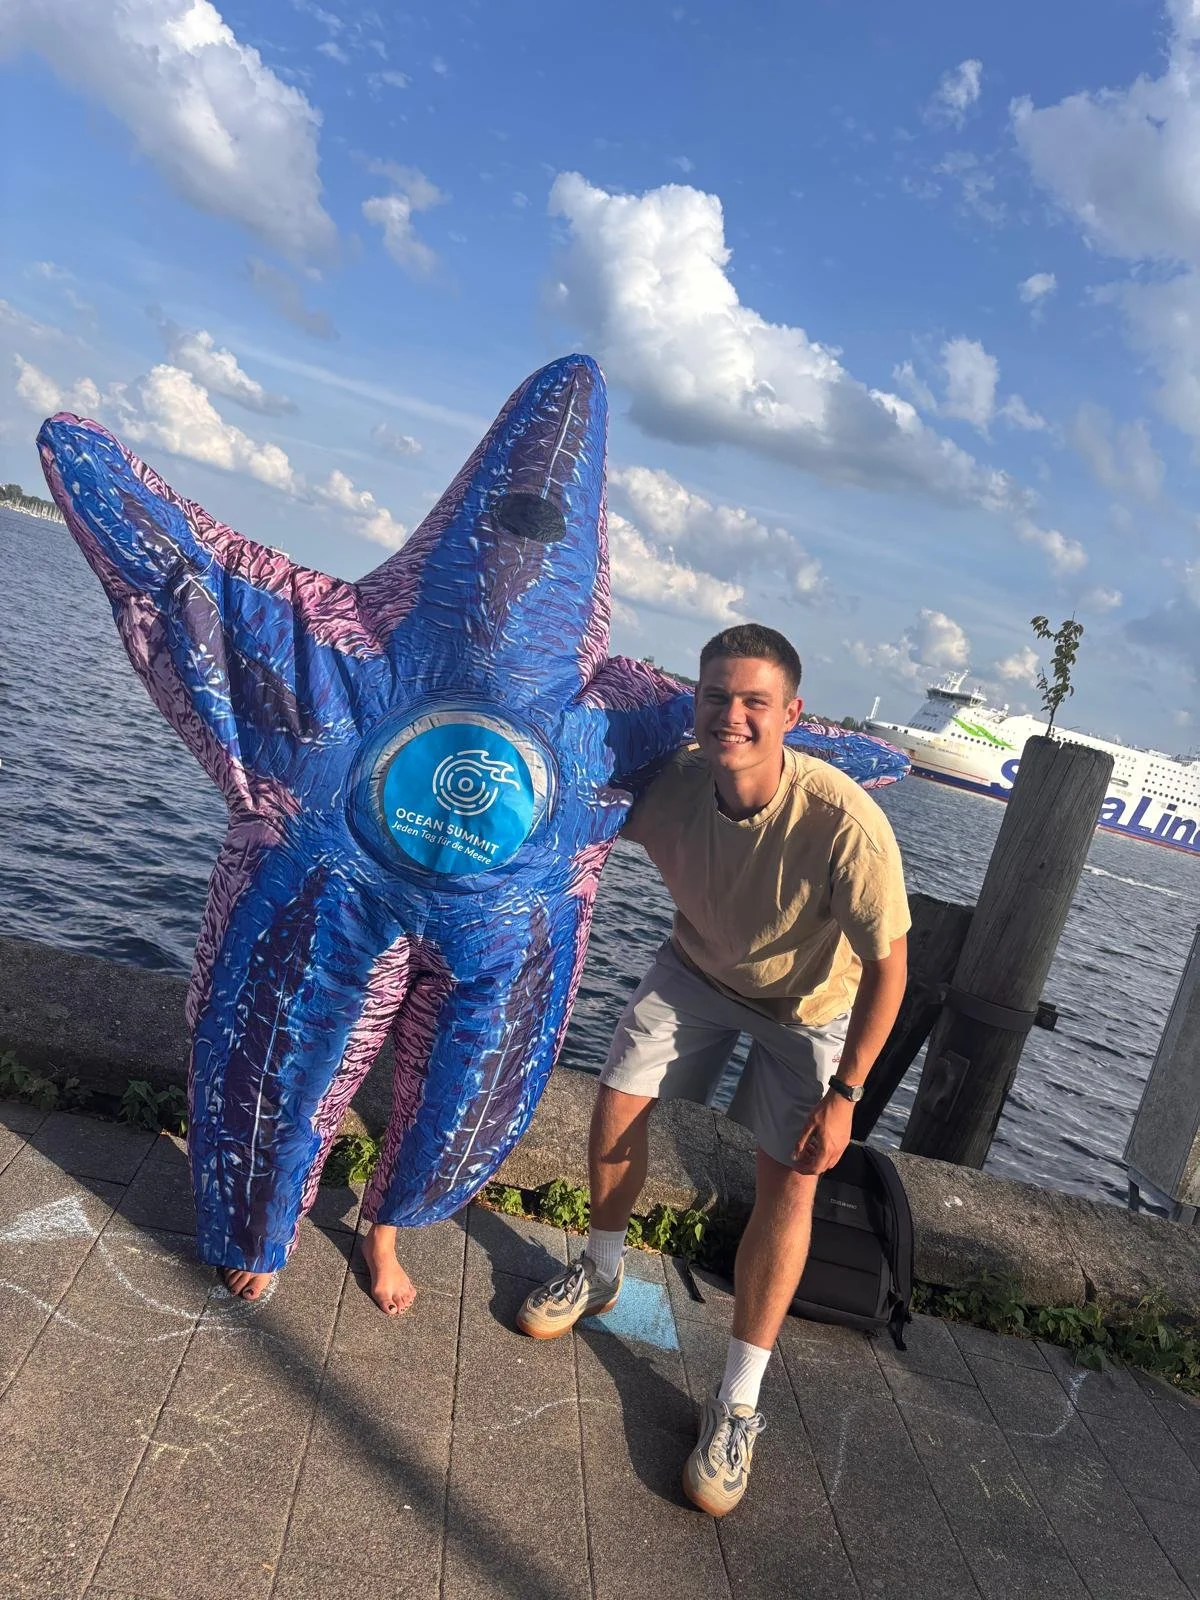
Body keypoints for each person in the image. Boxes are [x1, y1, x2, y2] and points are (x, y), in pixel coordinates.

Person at [514, 623, 910, 1516]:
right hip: (695, 968)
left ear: (791, 715)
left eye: (754, 702)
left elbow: (891, 968)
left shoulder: (844, 822)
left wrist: (847, 1095)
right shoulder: (673, 787)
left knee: (793, 1181)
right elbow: (561, 803)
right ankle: (602, 1268)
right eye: (715, 696)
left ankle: (738, 1401)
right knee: (618, 1097)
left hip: (808, 1006)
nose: (731, 716)